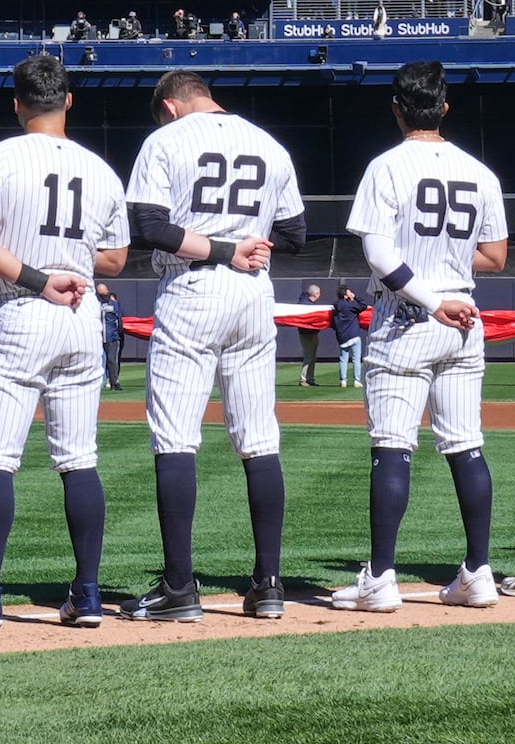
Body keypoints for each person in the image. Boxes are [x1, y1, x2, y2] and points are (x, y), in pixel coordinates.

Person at [0, 52, 128, 633]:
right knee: (79, 459)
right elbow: (114, 257)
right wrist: (70, 265)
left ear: (16, 104)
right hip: (81, 313)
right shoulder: (99, 168)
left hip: (22, 307)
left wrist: (39, 277)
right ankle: (87, 595)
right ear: (69, 101)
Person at [119, 70, 306, 621]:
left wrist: (223, 248)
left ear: (171, 106)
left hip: (193, 285)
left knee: (176, 438)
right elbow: (295, 235)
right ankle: (268, 584)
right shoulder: (267, 142)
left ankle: (180, 586)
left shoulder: (166, 139)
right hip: (254, 292)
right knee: (258, 438)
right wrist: (248, 243)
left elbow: (150, 227)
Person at [326, 62, 509, 615]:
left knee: (392, 446)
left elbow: (380, 254)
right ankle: (479, 572)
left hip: (408, 315)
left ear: (397, 108)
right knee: (465, 444)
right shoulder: (480, 171)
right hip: (464, 316)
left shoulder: (386, 166)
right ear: (445, 108)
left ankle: (381, 579)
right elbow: (496, 257)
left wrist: (428, 294)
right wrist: (446, 275)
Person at [97, 278, 127, 397]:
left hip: (112, 338)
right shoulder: (97, 305)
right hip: (100, 338)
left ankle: (114, 382)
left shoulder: (114, 305)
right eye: (100, 294)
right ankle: (100, 383)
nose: (103, 296)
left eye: (104, 293)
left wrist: (119, 332)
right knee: (99, 361)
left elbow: (120, 319)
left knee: (112, 360)